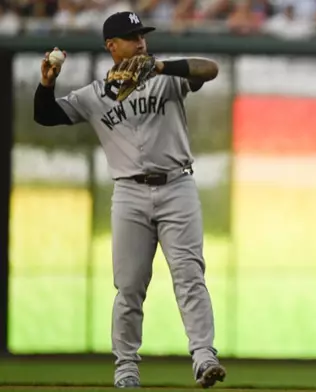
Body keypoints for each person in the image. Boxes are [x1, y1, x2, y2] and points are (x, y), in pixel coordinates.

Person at [33, 11, 226, 389]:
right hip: (129, 194)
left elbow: (211, 69)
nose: (140, 42)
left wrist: (160, 65)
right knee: (130, 285)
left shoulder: (166, 79)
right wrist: (45, 84)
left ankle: (204, 358)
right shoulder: (92, 96)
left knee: (189, 276)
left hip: (177, 187)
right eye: (132, 37)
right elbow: (45, 115)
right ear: (111, 46)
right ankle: (126, 369)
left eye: (142, 36)